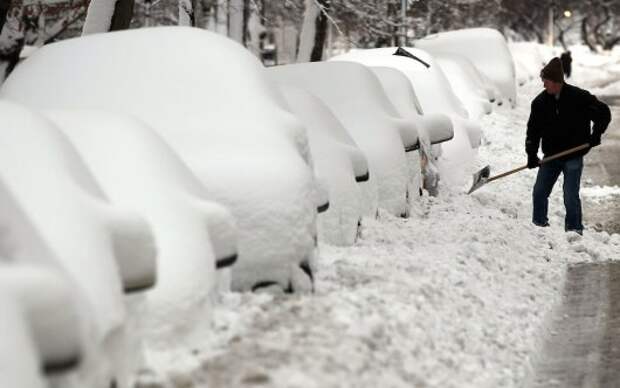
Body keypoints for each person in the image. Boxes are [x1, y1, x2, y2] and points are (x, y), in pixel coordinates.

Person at [525, 57, 611, 234]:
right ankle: (539, 226)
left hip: (573, 154)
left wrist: (596, 134)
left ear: (557, 81)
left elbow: (603, 113)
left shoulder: (579, 97)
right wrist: (531, 155)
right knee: (539, 192)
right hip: (551, 156)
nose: (544, 85)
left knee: (570, 195)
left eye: (546, 81)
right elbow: (533, 131)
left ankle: (574, 230)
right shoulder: (539, 103)